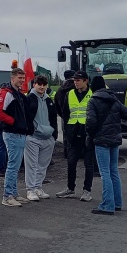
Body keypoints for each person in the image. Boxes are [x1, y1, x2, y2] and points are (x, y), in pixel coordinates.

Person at [86, 76, 127, 215]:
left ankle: (107, 205)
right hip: (115, 139)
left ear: (92, 87)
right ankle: (117, 203)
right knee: (114, 171)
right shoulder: (114, 99)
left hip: (101, 140)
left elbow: (91, 122)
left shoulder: (93, 101)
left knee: (104, 173)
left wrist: (90, 134)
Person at [56, 70, 94, 202]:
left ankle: (87, 190)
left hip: (88, 133)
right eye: (74, 81)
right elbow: (65, 112)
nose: (75, 83)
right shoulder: (70, 94)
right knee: (71, 162)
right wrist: (67, 128)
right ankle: (70, 188)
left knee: (89, 164)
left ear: (85, 81)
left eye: (78, 81)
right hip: (73, 133)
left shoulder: (92, 93)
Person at [0, 67, 30, 207]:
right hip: (12, 133)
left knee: (15, 166)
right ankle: (7, 196)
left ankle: (14, 193)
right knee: (12, 166)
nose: (22, 80)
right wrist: (14, 122)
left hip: (18, 133)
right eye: (19, 78)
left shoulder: (17, 93)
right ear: (12, 78)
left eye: (23, 78)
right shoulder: (7, 93)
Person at [24, 75, 58, 201]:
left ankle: (38, 187)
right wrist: (29, 131)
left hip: (48, 137)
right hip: (33, 137)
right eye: (39, 84)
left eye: (44, 85)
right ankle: (30, 190)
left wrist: (53, 135)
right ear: (34, 85)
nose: (42, 87)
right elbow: (26, 117)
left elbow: (54, 117)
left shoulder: (49, 99)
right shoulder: (29, 99)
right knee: (31, 165)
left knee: (43, 165)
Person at [55, 70, 76, 159]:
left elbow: (56, 105)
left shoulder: (60, 90)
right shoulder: (77, 87)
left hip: (65, 117)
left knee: (67, 136)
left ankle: (67, 154)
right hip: (80, 117)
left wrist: (63, 115)